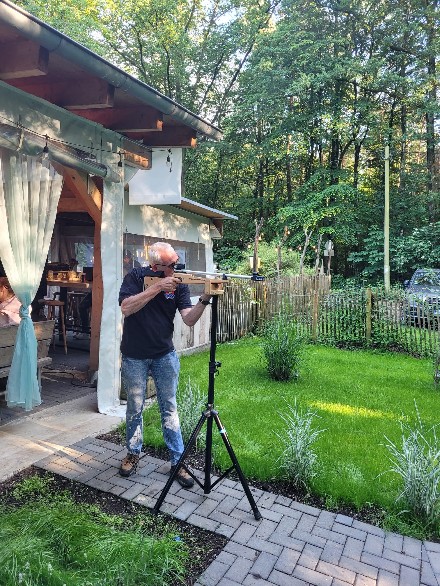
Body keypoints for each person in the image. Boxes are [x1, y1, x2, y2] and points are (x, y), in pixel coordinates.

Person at [118, 242, 213, 487]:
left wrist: (205, 298)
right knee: (134, 408)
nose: (176, 267)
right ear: (155, 266)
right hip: (134, 355)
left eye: (176, 262)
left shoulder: (179, 283)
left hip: (164, 355)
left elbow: (189, 319)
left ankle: (177, 461)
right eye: (171, 265)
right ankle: (133, 453)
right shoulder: (135, 277)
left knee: (169, 408)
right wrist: (158, 287)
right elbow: (126, 308)